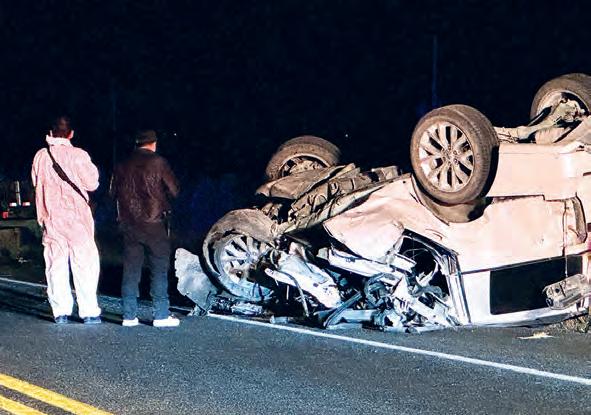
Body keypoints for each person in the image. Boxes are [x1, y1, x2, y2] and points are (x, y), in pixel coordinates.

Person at [31, 116, 102, 324]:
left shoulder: (41, 156)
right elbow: (92, 184)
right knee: (85, 263)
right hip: (77, 218)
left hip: (51, 216)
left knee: (56, 263)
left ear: (50, 133)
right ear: (71, 134)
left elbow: (35, 182)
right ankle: (89, 311)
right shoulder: (79, 155)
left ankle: (60, 311)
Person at [110, 129, 180, 327]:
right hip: (154, 223)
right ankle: (161, 315)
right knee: (159, 269)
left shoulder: (121, 165)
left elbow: (112, 192)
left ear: (136, 143)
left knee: (131, 269)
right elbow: (174, 190)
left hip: (129, 224)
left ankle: (129, 315)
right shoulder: (159, 162)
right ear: (154, 143)